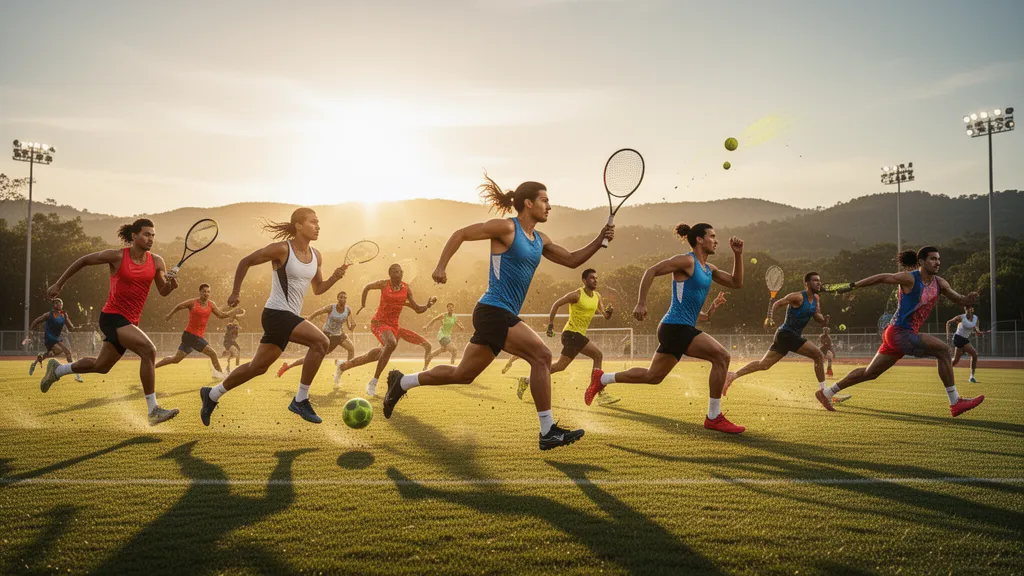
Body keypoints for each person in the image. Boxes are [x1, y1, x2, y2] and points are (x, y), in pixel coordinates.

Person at [380, 174, 614, 451]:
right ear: (528, 203)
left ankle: (401, 382)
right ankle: (548, 430)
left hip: (498, 314)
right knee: (541, 356)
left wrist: (600, 239)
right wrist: (441, 266)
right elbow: (461, 234)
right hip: (493, 310)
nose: (549, 206)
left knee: (463, 374)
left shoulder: (541, 239)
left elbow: (573, 260)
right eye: (545, 200)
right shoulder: (506, 228)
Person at [585, 223, 747, 434]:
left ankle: (602, 378)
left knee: (653, 376)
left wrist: (738, 255)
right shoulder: (687, 261)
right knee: (722, 357)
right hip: (675, 327)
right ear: (699, 239)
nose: (716, 240)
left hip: (679, 328)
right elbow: (651, 271)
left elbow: (736, 282)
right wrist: (641, 302)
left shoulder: (709, 269)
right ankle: (714, 417)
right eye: (712, 236)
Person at [198, 208, 347, 426]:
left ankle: (211, 395)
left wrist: (334, 277)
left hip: (287, 317)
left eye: (318, 222)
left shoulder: (317, 256)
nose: (318, 226)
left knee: (257, 367)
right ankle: (301, 399)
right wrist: (235, 292)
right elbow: (245, 261)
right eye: (313, 222)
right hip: (276, 314)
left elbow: (318, 288)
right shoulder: (282, 249)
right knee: (321, 342)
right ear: (298, 225)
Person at [40, 219, 181, 425]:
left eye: (152, 235)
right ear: (134, 236)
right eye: (146, 234)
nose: (150, 238)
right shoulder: (117, 256)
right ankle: (153, 410)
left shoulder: (157, 261)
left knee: (101, 365)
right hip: (112, 316)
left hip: (130, 321)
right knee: (149, 351)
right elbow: (83, 260)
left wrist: (173, 285)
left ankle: (57, 370)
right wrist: (59, 283)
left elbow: (163, 291)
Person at [816, 247, 984, 417]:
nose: (937, 262)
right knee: (943, 351)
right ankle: (955, 402)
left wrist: (967, 299)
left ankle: (827, 393)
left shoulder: (940, 283)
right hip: (899, 332)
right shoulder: (910, 278)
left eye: (938, 259)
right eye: (933, 259)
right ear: (921, 262)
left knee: (870, 373)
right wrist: (853, 286)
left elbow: (958, 298)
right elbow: (883, 277)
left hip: (897, 335)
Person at [724, 272, 851, 404]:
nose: (819, 283)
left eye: (819, 280)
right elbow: (778, 303)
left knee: (764, 364)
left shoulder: (816, 299)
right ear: (806, 283)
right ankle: (825, 392)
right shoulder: (797, 297)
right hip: (786, 334)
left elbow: (817, 316)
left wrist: (824, 320)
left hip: (787, 336)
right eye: (815, 280)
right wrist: (770, 317)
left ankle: (733, 375)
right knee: (818, 355)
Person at [332, 264, 436, 395]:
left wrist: (427, 305)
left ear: (402, 273)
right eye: (393, 272)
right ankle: (373, 381)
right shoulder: (384, 284)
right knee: (391, 343)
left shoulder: (406, 289)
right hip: (379, 323)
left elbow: (417, 308)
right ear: (389, 274)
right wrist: (363, 305)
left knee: (374, 356)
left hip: (394, 327)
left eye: (398, 272)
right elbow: (367, 287)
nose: (396, 274)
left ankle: (343, 366)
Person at [155, 283, 241, 378]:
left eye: (208, 292)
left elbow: (221, 315)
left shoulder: (211, 304)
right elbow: (179, 306)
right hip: (191, 335)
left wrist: (233, 311)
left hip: (192, 337)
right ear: (200, 292)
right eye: (204, 291)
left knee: (176, 359)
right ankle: (220, 375)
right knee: (212, 353)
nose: (206, 293)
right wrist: (169, 315)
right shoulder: (193, 303)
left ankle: (153, 366)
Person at [274, 291, 357, 381]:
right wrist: (309, 318)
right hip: (328, 336)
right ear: (337, 299)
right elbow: (318, 312)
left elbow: (348, 325)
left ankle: (344, 369)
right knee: (312, 357)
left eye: (345, 297)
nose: (343, 299)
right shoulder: (331, 308)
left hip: (340, 335)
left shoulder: (348, 310)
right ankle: (287, 366)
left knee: (351, 348)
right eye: (341, 297)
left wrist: (351, 327)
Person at [27, 299, 83, 382]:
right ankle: (77, 375)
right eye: (56, 303)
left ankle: (35, 362)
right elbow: (36, 321)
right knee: (67, 352)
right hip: (49, 337)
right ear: (54, 305)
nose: (58, 304)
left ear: (62, 304)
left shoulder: (64, 314)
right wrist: (30, 331)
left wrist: (76, 328)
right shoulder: (48, 315)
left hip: (57, 337)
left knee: (55, 353)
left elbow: (70, 327)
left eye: (59, 303)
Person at [946, 305, 986, 383]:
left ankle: (971, 376)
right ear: (965, 309)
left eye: (969, 308)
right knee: (972, 355)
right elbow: (948, 322)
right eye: (966, 308)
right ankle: (946, 369)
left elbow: (977, 329)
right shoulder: (961, 317)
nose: (968, 309)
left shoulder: (976, 318)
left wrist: (978, 332)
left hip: (964, 339)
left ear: (973, 309)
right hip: (958, 338)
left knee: (958, 360)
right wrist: (948, 336)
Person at [423, 303, 466, 369]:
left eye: (452, 307)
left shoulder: (454, 317)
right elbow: (434, 319)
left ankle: (428, 358)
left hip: (447, 336)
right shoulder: (443, 316)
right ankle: (453, 368)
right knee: (454, 350)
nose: (450, 308)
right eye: (449, 307)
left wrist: (460, 327)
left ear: (453, 308)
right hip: (442, 336)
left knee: (442, 350)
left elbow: (456, 322)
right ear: (447, 309)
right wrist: (427, 326)